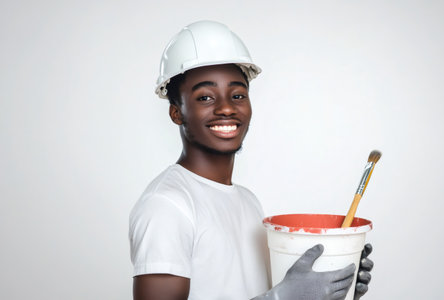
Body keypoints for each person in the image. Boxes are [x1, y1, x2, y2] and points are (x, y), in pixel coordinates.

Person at [129, 20, 373, 300]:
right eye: (206, 97)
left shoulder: (248, 202)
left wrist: (327, 288)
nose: (226, 107)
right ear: (176, 113)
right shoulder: (167, 205)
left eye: (237, 95)